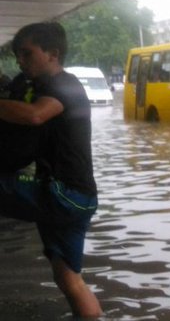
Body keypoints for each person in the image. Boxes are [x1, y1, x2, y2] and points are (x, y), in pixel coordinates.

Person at [0, 22, 102, 317]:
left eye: (27, 54)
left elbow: (35, 116)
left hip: (64, 194)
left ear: (53, 54)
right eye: (18, 54)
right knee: (69, 279)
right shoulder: (42, 86)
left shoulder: (65, 86)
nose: (20, 60)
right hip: (76, 198)